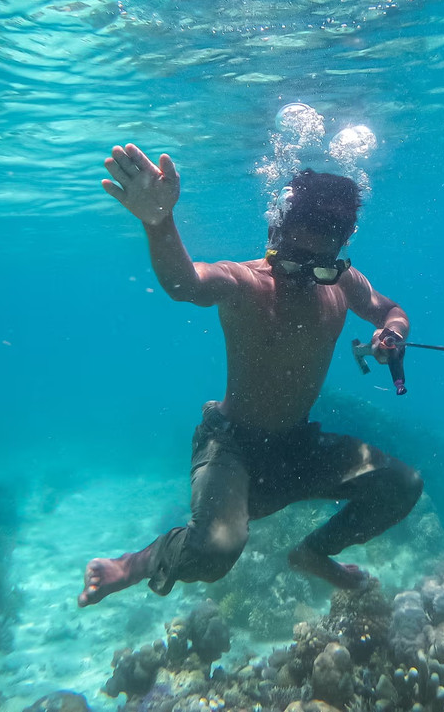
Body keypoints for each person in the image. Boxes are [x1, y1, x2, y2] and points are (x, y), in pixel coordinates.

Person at [78, 143, 424, 607]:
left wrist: (393, 334)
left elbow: (390, 310)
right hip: (232, 445)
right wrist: (159, 222)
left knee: (401, 486)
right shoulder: (246, 282)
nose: (301, 277)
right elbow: (187, 284)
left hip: (296, 445)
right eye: (290, 260)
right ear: (274, 235)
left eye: (318, 267)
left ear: (340, 254)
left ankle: (314, 555)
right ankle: (134, 565)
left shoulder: (344, 283)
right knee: (214, 552)